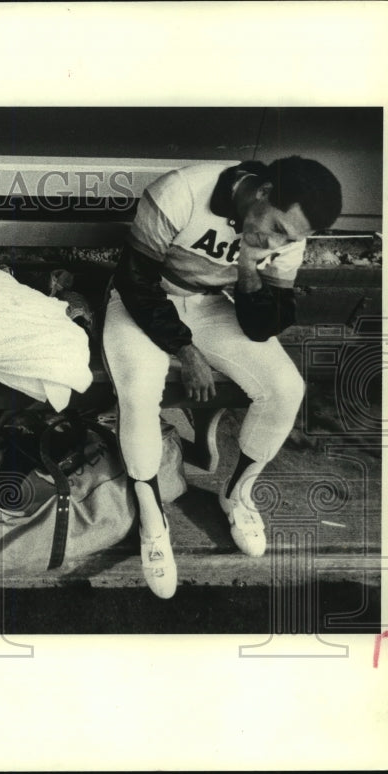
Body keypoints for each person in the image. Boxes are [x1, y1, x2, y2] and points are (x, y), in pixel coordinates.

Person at [102, 156, 342, 599]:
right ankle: (153, 521)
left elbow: (263, 325)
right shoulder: (183, 190)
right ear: (263, 191)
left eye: (288, 238)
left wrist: (250, 269)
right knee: (138, 391)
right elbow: (135, 283)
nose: (276, 241)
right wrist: (185, 348)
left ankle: (238, 495)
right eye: (273, 227)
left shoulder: (287, 230)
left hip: (209, 304)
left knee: (285, 388)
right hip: (143, 298)